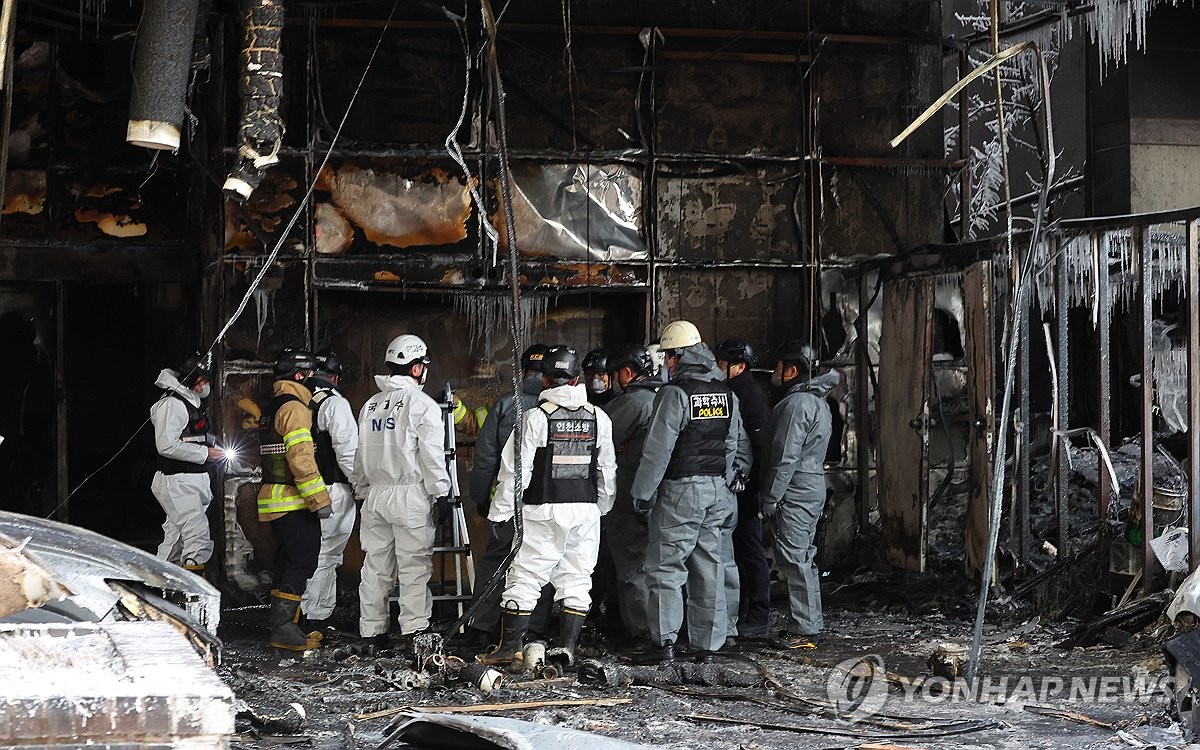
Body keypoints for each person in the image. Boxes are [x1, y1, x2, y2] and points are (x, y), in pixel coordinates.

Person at [479, 345, 617, 668]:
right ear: (577, 380)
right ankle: (567, 648)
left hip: (541, 511)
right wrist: (603, 506)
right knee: (577, 578)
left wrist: (499, 514)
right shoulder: (600, 419)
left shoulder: (536, 419)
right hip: (584, 513)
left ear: (545, 382)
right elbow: (606, 471)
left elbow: (514, 473)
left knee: (525, 576)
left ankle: (508, 647)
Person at [630, 321, 749, 664]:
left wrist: (642, 493)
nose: (666, 364)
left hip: (682, 489)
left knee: (665, 566)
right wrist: (722, 483)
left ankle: (664, 644)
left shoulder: (676, 394)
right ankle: (707, 647)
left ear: (680, 356)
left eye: (669, 357)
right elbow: (731, 444)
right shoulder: (726, 393)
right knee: (709, 567)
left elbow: (658, 450)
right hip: (717, 491)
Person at [354, 334, 451, 645]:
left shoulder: (370, 406)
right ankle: (414, 630)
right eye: (422, 365)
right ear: (414, 369)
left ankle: (372, 631)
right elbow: (432, 456)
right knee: (413, 566)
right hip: (409, 495)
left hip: (375, 495)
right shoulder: (421, 404)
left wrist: (362, 491)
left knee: (375, 568)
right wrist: (441, 493)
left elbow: (360, 456)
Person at [465, 343, 553, 643]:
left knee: (497, 560)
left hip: (508, 502)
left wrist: (480, 496)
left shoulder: (505, 406)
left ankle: (480, 627)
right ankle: (533, 631)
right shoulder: (560, 409)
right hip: (548, 504)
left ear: (523, 371)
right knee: (541, 564)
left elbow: (486, 456)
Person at [759, 340, 838, 646]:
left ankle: (804, 627)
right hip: (811, 485)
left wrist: (770, 497)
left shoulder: (796, 405)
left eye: (779, 366)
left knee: (794, 559)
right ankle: (807, 621)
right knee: (803, 557)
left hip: (795, 490)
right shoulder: (817, 402)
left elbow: (784, 457)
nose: (775, 373)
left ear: (791, 369)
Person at [258, 348, 332, 651]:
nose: (315, 380)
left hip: (274, 499)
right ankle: (285, 629)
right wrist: (319, 499)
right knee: (302, 561)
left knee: (287, 561)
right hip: (291, 500)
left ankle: (291, 626)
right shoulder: (295, 409)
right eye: (312, 374)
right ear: (300, 376)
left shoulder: (274, 404)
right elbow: (301, 458)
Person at [715, 337, 772, 641]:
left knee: (751, 550)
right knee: (741, 551)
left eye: (722, 364)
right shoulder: (736, 393)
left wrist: (755, 488)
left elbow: (760, 446)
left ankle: (759, 615)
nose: (718, 369)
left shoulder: (748, 395)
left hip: (747, 489)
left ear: (738, 366)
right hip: (742, 486)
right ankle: (748, 608)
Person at [601, 344, 659, 642]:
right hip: (663, 494)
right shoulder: (668, 397)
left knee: (632, 565)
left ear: (626, 372)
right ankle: (661, 629)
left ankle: (643, 634)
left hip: (632, 491)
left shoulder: (634, 402)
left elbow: (602, 436)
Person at [301, 350, 359, 629]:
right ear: (335, 377)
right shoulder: (334, 404)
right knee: (328, 554)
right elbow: (347, 453)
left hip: (304, 487)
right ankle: (317, 618)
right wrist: (361, 486)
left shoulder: (298, 401)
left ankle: (303, 613)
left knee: (309, 551)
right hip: (333, 488)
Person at [150, 352, 221, 573]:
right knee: (197, 539)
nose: (206, 385)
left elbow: (190, 438)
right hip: (178, 482)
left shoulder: (190, 404)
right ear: (194, 378)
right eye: (203, 380)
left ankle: (158, 587)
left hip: (189, 481)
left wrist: (210, 448)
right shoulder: (172, 404)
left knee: (175, 541)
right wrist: (205, 454)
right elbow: (166, 445)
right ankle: (193, 601)